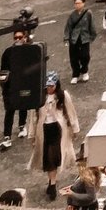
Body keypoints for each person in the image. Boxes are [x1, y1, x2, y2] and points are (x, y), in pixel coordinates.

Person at [28, 72, 80, 201]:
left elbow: (71, 112)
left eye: (52, 86)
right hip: (44, 129)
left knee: (53, 156)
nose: (50, 88)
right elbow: (33, 117)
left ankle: (52, 183)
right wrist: (32, 134)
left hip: (58, 129)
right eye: (48, 86)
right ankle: (52, 181)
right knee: (47, 157)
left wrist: (75, 128)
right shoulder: (40, 97)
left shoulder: (63, 96)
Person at [0, 26, 35, 149]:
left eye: (20, 37)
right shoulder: (8, 52)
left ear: (25, 37)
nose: (18, 39)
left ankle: (22, 125)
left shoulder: (30, 51)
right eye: (16, 37)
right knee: (9, 110)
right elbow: (3, 70)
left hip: (23, 84)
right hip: (10, 86)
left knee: (23, 106)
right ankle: (7, 135)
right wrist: (4, 84)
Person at [65, 0, 96, 84]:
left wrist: (92, 36)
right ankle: (75, 74)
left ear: (83, 3)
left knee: (85, 56)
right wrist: (66, 38)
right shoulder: (72, 15)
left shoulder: (88, 13)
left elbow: (92, 25)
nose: (77, 5)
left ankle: (84, 71)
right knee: (74, 57)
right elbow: (68, 27)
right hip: (74, 38)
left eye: (79, 3)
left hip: (84, 37)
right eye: (76, 3)